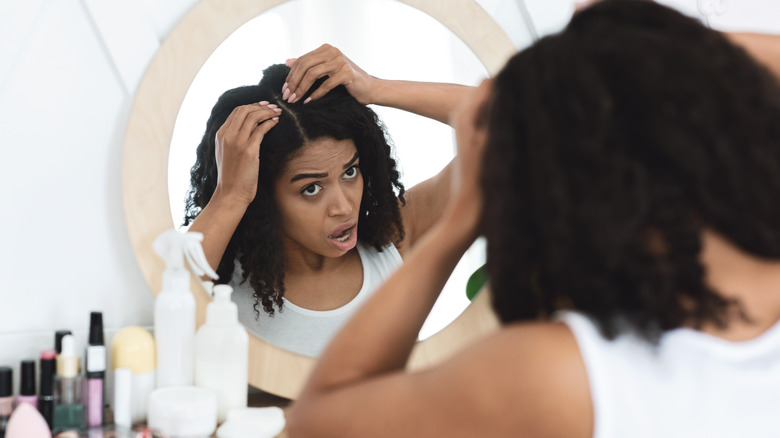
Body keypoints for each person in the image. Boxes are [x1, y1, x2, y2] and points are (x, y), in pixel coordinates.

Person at [286, 1, 780, 436]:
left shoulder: (560, 377)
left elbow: (316, 425)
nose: (340, 203)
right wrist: (622, 46)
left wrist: (460, 220)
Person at [184, 47, 471, 357]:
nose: (344, 207)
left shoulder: (396, 239)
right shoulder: (219, 279)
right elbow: (164, 311)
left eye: (350, 172)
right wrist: (231, 195)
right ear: (264, 198)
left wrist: (376, 87)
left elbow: (516, 121)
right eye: (311, 189)